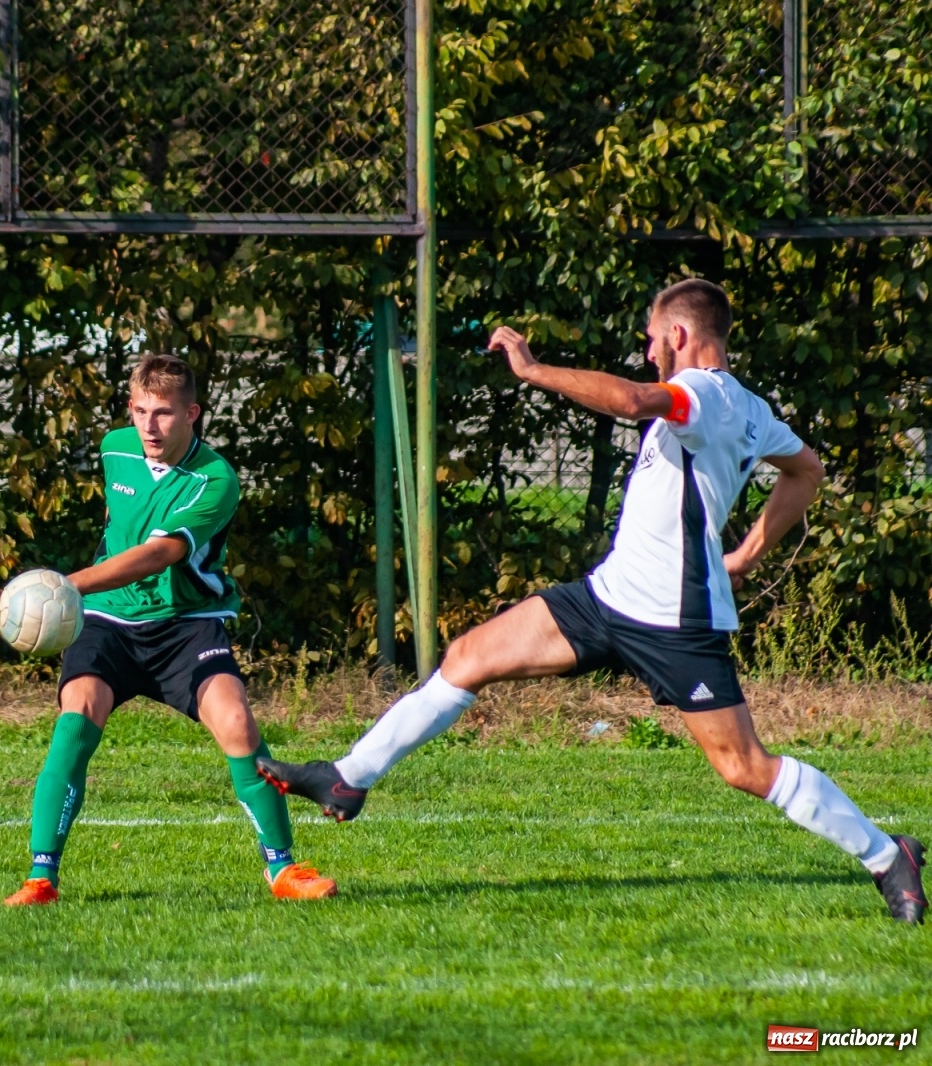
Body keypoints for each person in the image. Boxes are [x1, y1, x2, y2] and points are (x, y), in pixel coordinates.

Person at [258, 279, 925, 924]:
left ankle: (884, 854)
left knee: (743, 767)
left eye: (651, 339)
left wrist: (533, 368)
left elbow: (635, 402)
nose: (648, 353)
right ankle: (348, 776)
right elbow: (807, 468)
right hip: (610, 596)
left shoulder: (703, 392)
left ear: (679, 333)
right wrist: (748, 555)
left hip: (674, 618)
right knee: (470, 657)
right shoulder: (748, 405)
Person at [4, 354, 337, 905]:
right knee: (75, 720)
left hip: (187, 625)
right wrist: (85, 595)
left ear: (192, 414)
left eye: (162, 414)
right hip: (109, 621)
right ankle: (41, 878)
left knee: (236, 722)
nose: (148, 427)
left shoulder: (216, 480)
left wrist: (66, 585)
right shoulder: (115, 448)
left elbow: (159, 553)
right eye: (139, 411)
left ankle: (283, 870)